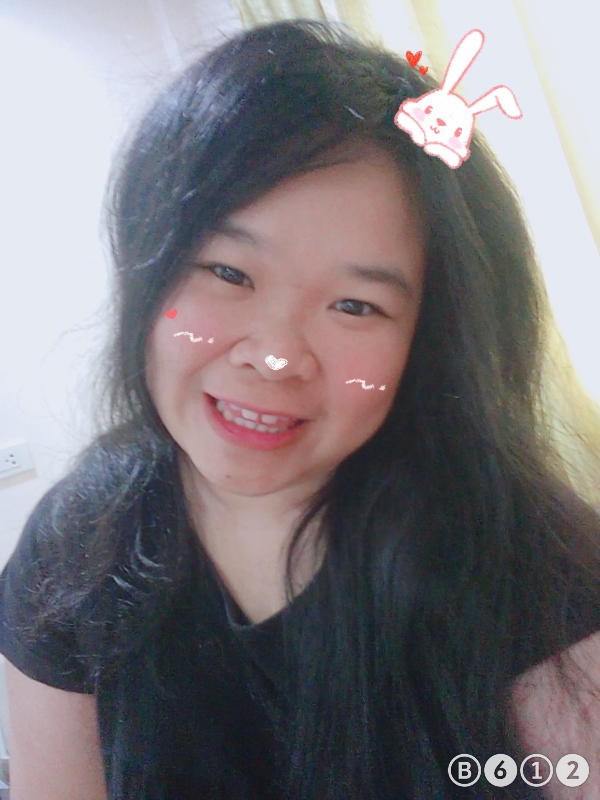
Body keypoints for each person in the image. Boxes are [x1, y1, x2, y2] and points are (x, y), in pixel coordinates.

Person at [1, 18, 600, 800]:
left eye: (355, 306)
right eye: (228, 272)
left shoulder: (532, 565)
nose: (275, 355)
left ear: (430, 343)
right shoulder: (78, 543)